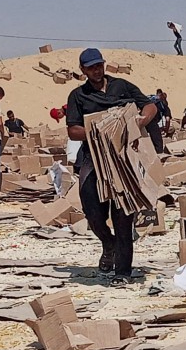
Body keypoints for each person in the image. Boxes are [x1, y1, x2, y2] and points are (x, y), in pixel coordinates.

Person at [65, 48, 157, 286]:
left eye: (99, 65)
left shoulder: (122, 86)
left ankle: (123, 271)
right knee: (92, 211)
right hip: (94, 157)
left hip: (124, 158)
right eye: (91, 67)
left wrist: (141, 120)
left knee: (123, 212)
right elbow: (73, 130)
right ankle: (108, 243)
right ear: (83, 70)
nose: (97, 70)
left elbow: (149, 106)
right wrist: (98, 132)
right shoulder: (77, 95)